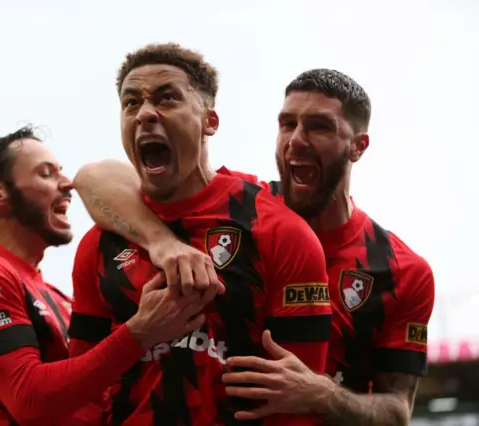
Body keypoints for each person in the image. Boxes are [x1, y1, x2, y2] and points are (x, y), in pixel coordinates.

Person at [73, 68, 435, 426]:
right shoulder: (242, 207)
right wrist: (162, 242)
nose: (296, 140)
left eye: (319, 126)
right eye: (287, 124)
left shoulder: (403, 271)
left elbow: (397, 410)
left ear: (358, 146)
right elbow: (94, 178)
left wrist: (323, 396)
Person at [68, 43, 332, 426]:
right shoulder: (99, 243)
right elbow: (82, 393)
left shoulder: (279, 231)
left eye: (167, 98)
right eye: (131, 103)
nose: (144, 114)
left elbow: (297, 403)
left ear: (210, 121)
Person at [0, 126, 217, 426]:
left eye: (61, 172)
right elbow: (29, 400)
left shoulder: (54, 295)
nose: (67, 184)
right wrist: (141, 333)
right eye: (46, 174)